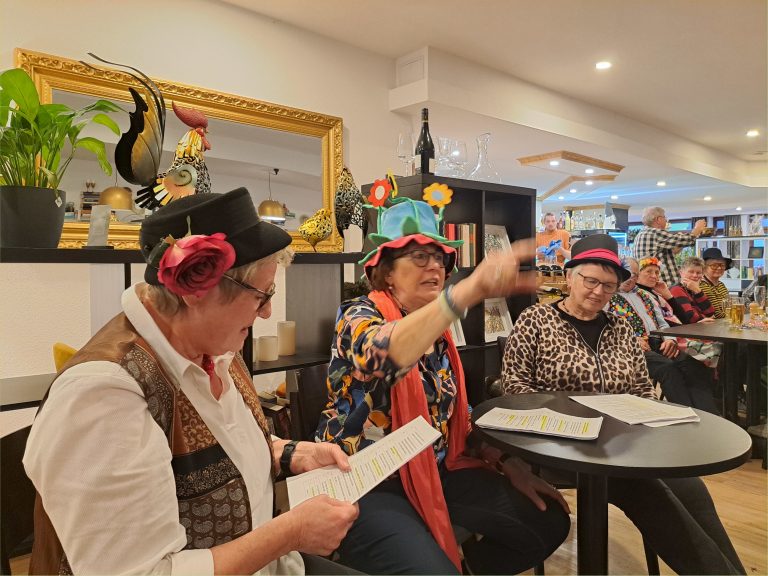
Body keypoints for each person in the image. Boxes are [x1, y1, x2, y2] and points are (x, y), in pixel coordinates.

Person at [23, 189, 359, 575]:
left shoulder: (216, 349)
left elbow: (224, 446)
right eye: (262, 295)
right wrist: (290, 532)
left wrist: (287, 453)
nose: (267, 312)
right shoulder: (103, 398)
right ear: (197, 291)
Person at [316, 195, 570, 574]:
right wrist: (469, 291)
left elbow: (453, 416)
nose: (435, 266)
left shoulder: (438, 331)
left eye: (441, 259)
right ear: (387, 271)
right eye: (420, 256)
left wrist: (507, 462)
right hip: (366, 481)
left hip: (436, 468)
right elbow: (383, 353)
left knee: (548, 520)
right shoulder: (357, 315)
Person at [501, 234, 745, 575]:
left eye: (609, 285)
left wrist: (654, 420)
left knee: (691, 487)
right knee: (650, 493)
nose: (598, 292)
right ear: (569, 277)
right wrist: (564, 423)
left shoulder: (619, 327)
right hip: (558, 447)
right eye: (590, 281)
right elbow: (514, 389)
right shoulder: (535, 319)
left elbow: (643, 388)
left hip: (623, 446)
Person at [609, 258, 719, 413]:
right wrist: (631, 339)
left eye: (634, 275)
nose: (631, 278)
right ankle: (684, 415)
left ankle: (709, 414)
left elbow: (662, 323)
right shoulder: (608, 297)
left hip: (660, 341)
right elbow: (606, 327)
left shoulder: (645, 295)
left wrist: (669, 339)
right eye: (628, 274)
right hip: (632, 347)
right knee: (667, 368)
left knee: (693, 363)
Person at [633, 206, 707, 285]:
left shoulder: (642, 234)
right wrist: (698, 228)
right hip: (663, 284)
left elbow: (673, 250)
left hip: (652, 283)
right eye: (664, 217)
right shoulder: (654, 232)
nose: (666, 220)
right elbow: (688, 239)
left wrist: (680, 242)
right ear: (658, 219)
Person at [634, 256, 684, 324]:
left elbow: (684, 319)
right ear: (637, 273)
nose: (654, 276)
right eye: (649, 271)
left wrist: (668, 296)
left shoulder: (657, 293)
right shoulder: (636, 294)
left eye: (657, 272)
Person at [669, 257, 716, 324]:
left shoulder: (694, 290)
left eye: (698, 273)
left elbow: (710, 312)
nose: (695, 275)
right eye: (691, 272)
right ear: (681, 273)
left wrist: (698, 291)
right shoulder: (676, 289)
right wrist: (705, 317)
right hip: (685, 329)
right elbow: (690, 317)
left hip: (698, 327)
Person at [699, 247, 733, 318]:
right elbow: (716, 314)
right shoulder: (702, 285)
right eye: (714, 265)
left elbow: (730, 307)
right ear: (704, 267)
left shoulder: (721, 285)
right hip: (712, 324)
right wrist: (735, 314)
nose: (719, 268)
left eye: (722, 265)